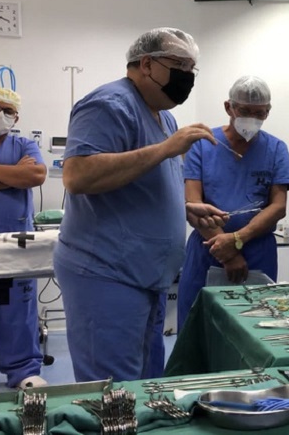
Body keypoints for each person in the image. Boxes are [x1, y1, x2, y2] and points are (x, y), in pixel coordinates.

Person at [54, 27, 227, 382]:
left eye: (192, 69)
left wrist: (184, 210)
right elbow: (78, 175)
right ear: (146, 64)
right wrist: (166, 148)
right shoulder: (108, 105)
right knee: (111, 391)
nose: (187, 77)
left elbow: (140, 181)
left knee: (145, 384)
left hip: (147, 275)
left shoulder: (163, 117)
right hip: (107, 273)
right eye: (179, 65)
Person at [177, 75, 289, 330]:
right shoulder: (203, 144)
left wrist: (237, 240)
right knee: (197, 330)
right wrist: (227, 253)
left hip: (257, 249)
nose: (252, 118)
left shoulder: (276, 149)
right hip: (208, 248)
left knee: (253, 330)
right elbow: (193, 202)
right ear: (228, 107)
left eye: (259, 113)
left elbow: (278, 206)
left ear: (268, 112)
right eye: (244, 110)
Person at [0, 87, 47, 389]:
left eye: (9, 111)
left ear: (17, 117)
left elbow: (35, 176)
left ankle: (24, 371)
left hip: (16, 242)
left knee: (17, 308)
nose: (1, 115)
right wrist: (11, 174)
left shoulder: (25, 144)